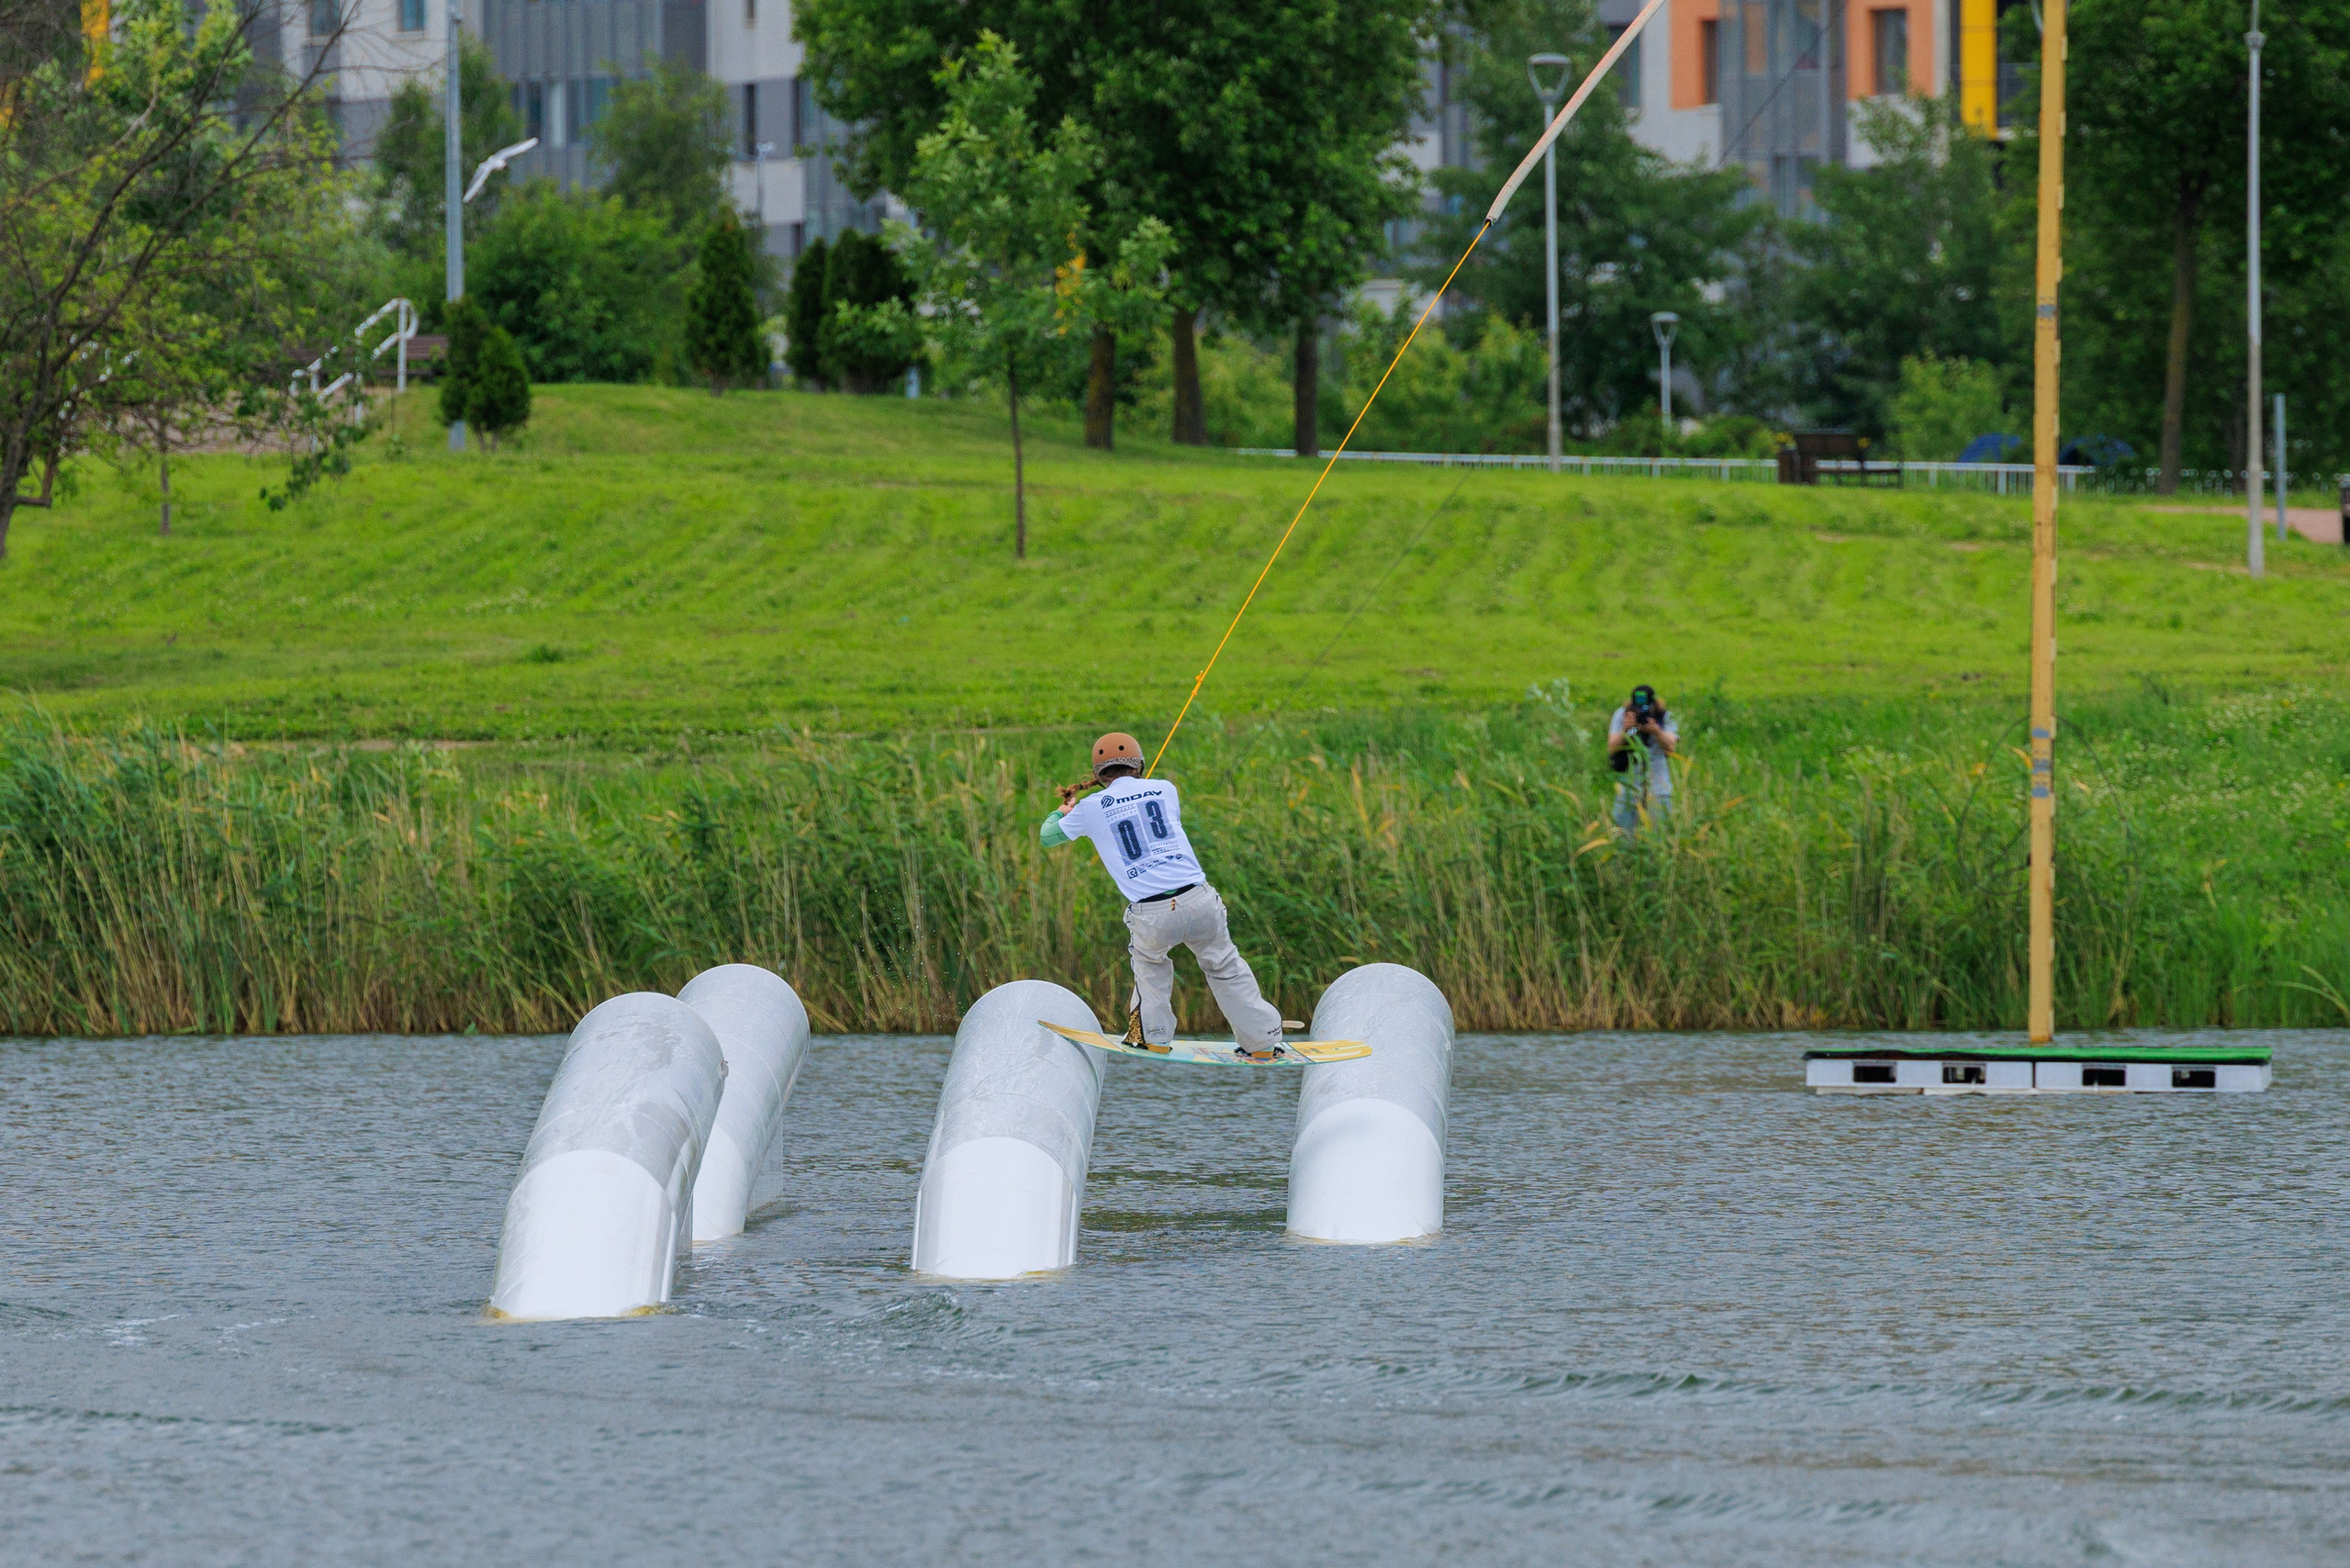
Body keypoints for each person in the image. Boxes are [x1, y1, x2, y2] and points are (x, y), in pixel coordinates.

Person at [1038, 732, 1288, 1060]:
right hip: (1199, 900)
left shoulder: (1090, 807)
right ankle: (1263, 1043)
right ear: (1139, 765)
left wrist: (1062, 812)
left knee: (1150, 967)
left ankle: (1152, 1037)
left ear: (1098, 775)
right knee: (1226, 966)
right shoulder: (1166, 789)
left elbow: (1046, 836)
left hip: (1152, 914)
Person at [1607, 684, 1678, 839]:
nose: (1641, 713)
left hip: (1658, 789)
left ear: (1654, 705)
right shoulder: (1622, 715)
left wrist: (1656, 730)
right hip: (1628, 789)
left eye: (1645, 709)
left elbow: (1671, 747)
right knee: (1622, 838)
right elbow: (1611, 748)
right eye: (1638, 709)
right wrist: (1625, 730)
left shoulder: (1665, 717)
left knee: (1659, 840)